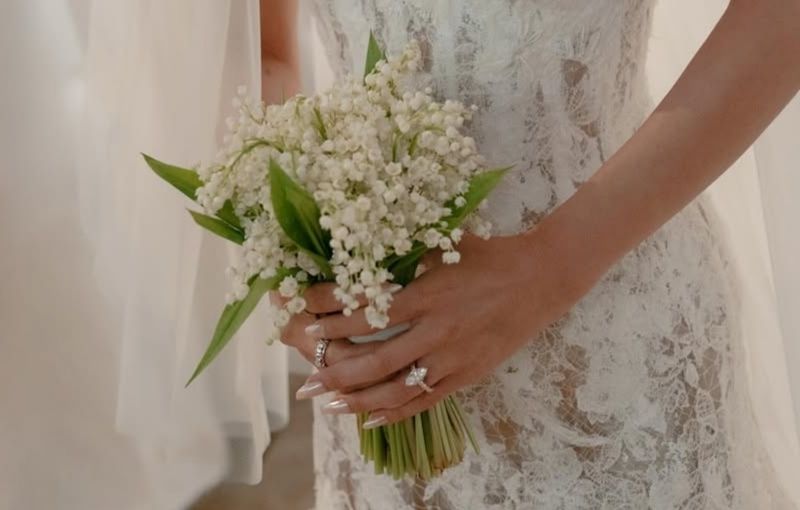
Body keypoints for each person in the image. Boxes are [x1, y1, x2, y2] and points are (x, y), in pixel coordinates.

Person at [264, 0, 800, 508]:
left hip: (611, 362)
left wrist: (552, 266)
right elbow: (268, 56)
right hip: (383, 361)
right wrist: (289, 249)